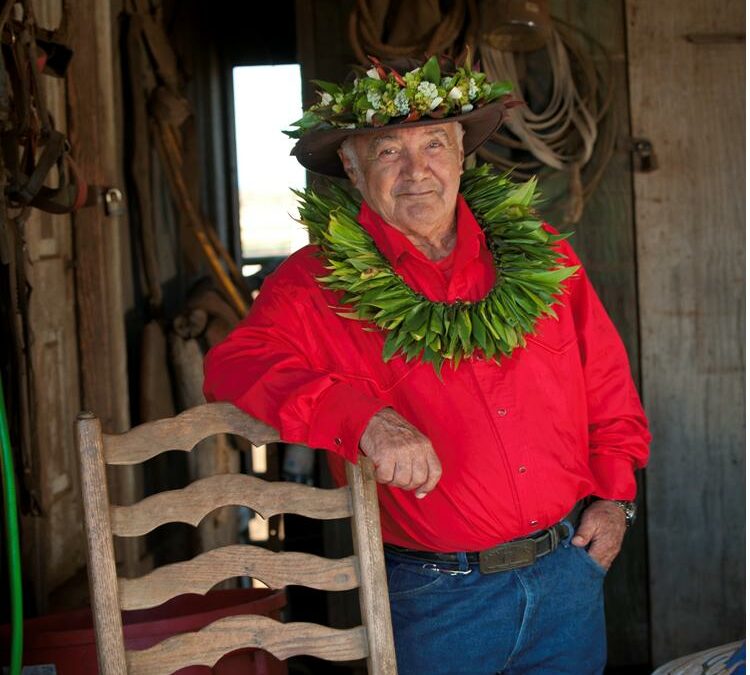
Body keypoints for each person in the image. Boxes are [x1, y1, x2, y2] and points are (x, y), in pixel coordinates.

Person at [203, 54, 650, 675]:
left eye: (434, 143)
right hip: (436, 600)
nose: (418, 171)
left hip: (567, 576)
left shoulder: (542, 255)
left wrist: (614, 500)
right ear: (354, 171)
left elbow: (607, 386)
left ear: (461, 154)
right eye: (388, 151)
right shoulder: (315, 284)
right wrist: (362, 419)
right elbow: (235, 364)